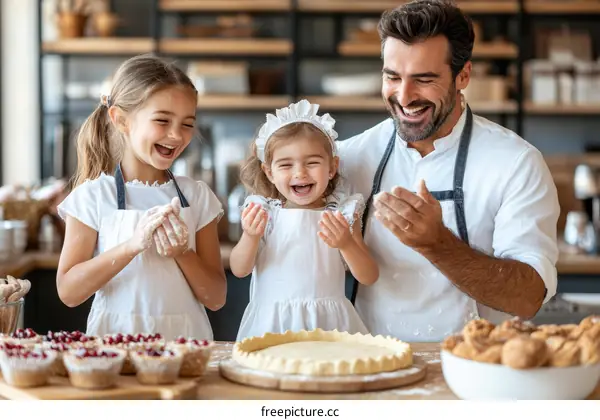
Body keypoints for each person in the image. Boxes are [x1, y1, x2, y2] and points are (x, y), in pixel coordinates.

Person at [337, 0, 560, 342]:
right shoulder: (349, 157)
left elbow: (528, 297)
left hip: (475, 371)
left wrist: (436, 243)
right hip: (370, 365)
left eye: (424, 79)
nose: (405, 96)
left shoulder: (516, 163)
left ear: (463, 76)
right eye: (392, 77)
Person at [56, 54, 227, 341]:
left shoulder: (197, 197)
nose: (176, 135)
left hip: (186, 346)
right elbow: (69, 292)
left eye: (187, 124)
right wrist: (132, 245)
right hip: (115, 350)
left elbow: (216, 297)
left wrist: (182, 253)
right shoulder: (93, 196)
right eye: (162, 120)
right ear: (121, 120)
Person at [230, 100, 379, 341]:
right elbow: (239, 269)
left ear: (332, 167)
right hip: (272, 327)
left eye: (312, 163)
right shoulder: (263, 212)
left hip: (329, 327)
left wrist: (346, 244)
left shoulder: (342, 214)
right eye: (286, 164)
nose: (300, 173)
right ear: (269, 172)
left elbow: (368, 276)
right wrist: (250, 236)